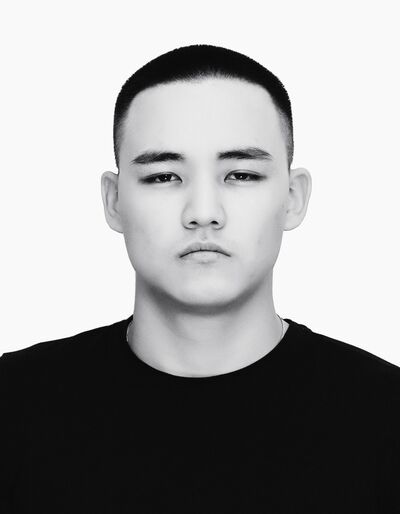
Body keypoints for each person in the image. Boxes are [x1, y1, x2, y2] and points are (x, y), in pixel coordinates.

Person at [1, 44, 399, 513]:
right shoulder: (13, 406)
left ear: (293, 197)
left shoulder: (386, 416)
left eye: (242, 175)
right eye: (163, 177)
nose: (204, 212)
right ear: (113, 201)